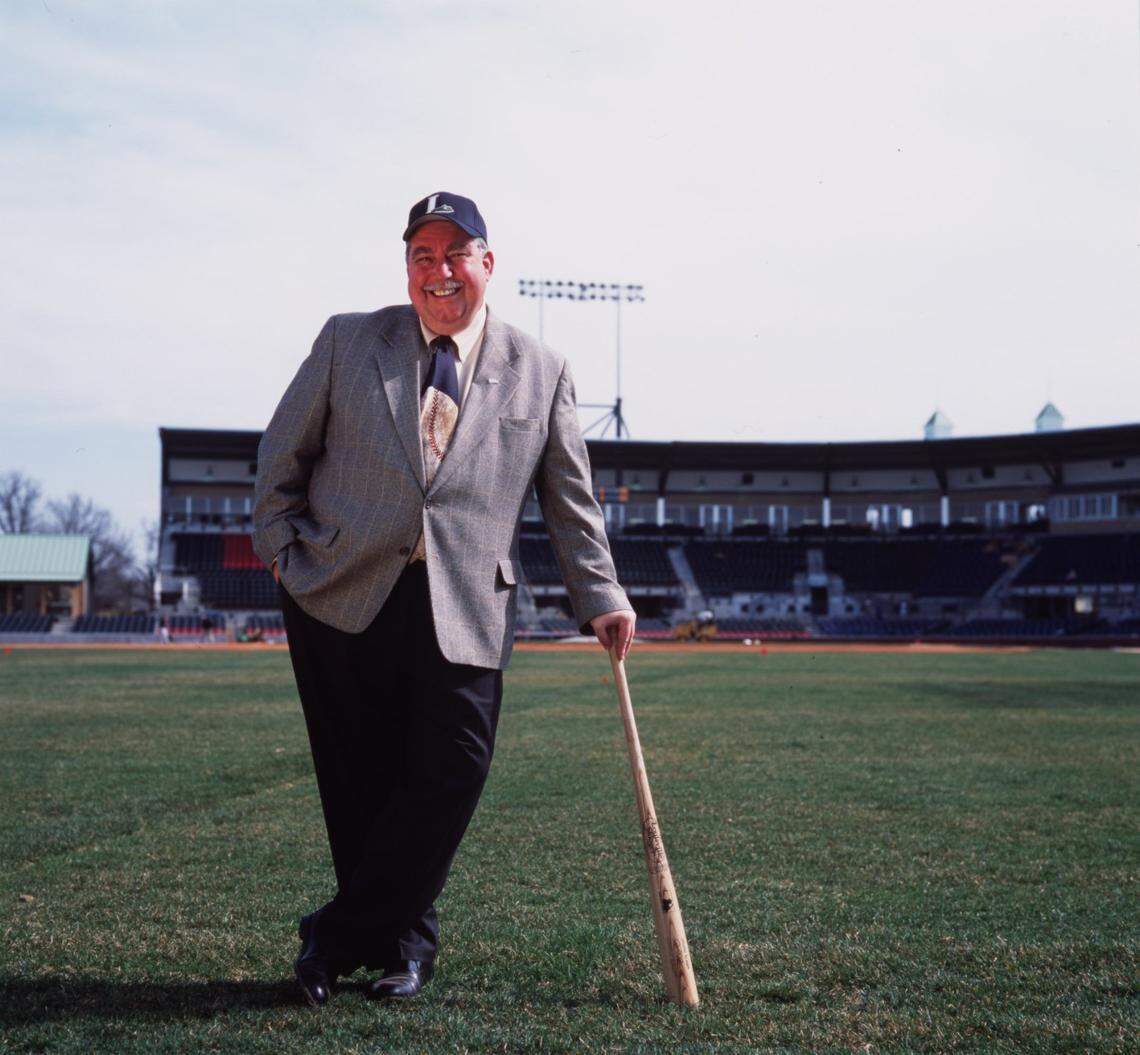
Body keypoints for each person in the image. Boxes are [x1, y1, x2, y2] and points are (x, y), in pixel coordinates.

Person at [252, 191, 635, 1007]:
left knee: (454, 767)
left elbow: (569, 499)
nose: (439, 272)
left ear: (487, 263)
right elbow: (282, 453)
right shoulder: (349, 339)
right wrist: (281, 550)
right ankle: (404, 947)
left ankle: (333, 938)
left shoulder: (542, 369)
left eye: (455, 254)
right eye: (421, 257)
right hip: (339, 589)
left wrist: (600, 591)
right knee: (357, 781)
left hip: (465, 600)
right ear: (407, 270)